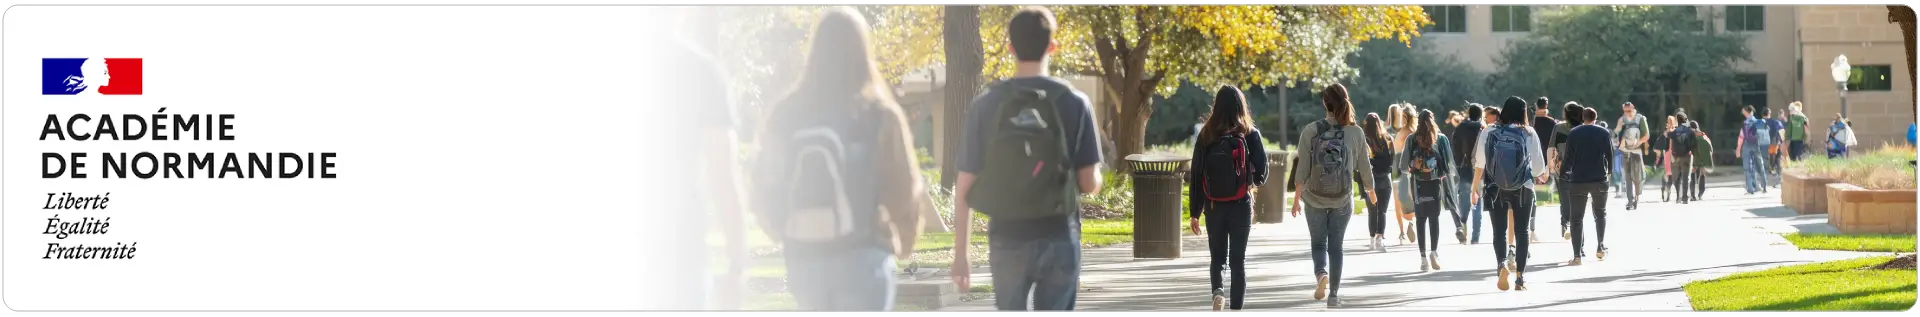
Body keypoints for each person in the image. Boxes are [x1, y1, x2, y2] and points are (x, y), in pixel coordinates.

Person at [749, 8, 932, 311]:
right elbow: (904, 187)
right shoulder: (877, 113)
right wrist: (904, 240)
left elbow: (762, 181)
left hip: (804, 258)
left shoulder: (786, 113)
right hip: (864, 255)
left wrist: (779, 229)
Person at [953, 7, 1105, 311]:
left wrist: (961, 254)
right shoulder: (1075, 102)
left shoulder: (987, 104)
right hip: (1059, 233)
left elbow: (964, 187)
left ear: (1010, 48)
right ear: (1052, 46)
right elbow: (1088, 183)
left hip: (1007, 238)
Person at [1290, 83, 1376, 308]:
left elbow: (1303, 169)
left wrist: (1297, 198)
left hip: (1314, 197)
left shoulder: (1311, 130)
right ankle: (1334, 295)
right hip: (1342, 198)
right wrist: (1370, 190)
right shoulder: (1356, 132)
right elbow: (1364, 166)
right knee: (1336, 247)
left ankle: (1321, 275)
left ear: (1324, 103)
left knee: (1318, 243)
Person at [1187, 86, 1270, 312]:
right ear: (1241, 105)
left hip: (1213, 206)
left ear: (1216, 106)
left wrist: (1194, 211)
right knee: (1238, 262)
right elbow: (1262, 173)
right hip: (1241, 204)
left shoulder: (1206, 134)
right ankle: (1236, 309)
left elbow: (1196, 174)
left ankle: (1218, 292)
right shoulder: (1250, 133)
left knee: (1217, 258)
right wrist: (1250, 179)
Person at [1471, 96, 1550, 292]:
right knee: (1522, 232)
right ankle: (1520, 278)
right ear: (1524, 113)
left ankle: (1501, 265)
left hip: (1495, 187)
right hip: (1523, 188)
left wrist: (1475, 186)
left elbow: (1480, 162)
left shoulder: (1489, 131)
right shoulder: (1529, 132)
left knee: (1499, 231)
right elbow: (1539, 168)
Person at [1396, 109, 1458, 271]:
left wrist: (1414, 167)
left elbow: (1403, 166)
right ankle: (1434, 252)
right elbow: (1449, 166)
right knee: (1434, 219)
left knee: (1421, 219)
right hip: (1435, 184)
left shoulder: (1411, 139)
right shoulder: (1441, 139)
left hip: (1418, 185)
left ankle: (1423, 258)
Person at [1561, 106, 1613, 265]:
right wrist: (1609, 171)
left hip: (1578, 180)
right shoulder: (1603, 133)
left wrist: (1564, 173)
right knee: (1600, 213)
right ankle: (1600, 247)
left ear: (1583, 117)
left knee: (1576, 218)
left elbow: (1569, 157)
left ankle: (1577, 256)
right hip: (1598, 178)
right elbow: (1609, 154)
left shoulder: (1574, 133)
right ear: (1595, 118)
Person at [1453, 103, 1487, 245]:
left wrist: (1459, 164)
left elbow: (1455, 148)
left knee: (1464, 201)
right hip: (1480, 171)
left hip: (1464, 169)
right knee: (1477, 203)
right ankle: (1475, 237)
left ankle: (1463, 228)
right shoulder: (1483, 129)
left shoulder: (1460, 127)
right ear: (1481, 115)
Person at [1361, 113, 1396, 252]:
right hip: (1385, 178)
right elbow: (1392, 161)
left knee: (1372, 211)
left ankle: (1371, 239)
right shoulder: (1387, 139)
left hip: (1370, 180)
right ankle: (1379, 239)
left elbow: (1362, 162)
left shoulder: (1364, 140)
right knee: (1382, 211)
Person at [1548, 102, 1579, 240]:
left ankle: (1565, 223)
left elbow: (1551, 147)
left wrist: (1550, 165)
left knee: (1564, 198)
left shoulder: (1559, 127)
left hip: (1562, 167)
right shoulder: (1582, 128)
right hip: (1580, 168)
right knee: (1577, 199)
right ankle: (1573, 226)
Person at [1527, 97, 1556, 242]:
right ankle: (1532, 230)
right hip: (1544, 160)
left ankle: (1530, 229)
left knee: (1529, 196)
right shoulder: (1552, 123)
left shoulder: (1530, 122)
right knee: (1533, 197)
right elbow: (1553, 145)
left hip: (1528, 160)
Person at [1390, 104, 1419, 245]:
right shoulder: (1415, 132)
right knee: (1412, 196)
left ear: (1405, 117)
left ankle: (1402, 230)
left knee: (1398, 199)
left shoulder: (1403, 132)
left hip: (1398, 165)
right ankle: (1411, 222)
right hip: (1411, 165)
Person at [1614, 102, 1650, 210]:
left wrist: (1637, 143)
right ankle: (1630, 200)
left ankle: (1636, 197)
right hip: (1625, 150)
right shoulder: (1622, 119)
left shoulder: (1640, 118)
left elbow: (1646, 135)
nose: (1627, 113)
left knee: (1637, 176)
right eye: (1625, 111)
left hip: (1637, 150)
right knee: (1628, 176)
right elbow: (1616, 132)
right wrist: (1616, 134)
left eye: (1629, 111)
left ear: (1633, 109)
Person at [1736, 105, 1771, 195]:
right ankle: (1764, 186)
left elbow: (1741, 136)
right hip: (1757, 145)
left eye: (1744, 111)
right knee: (1760, 165)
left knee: (1748, 167)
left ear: (1747, 112)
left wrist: (1738, 148)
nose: (1743, 113)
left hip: (1747, 145)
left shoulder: (1745, 123)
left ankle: (1751, 188)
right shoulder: (1759, 122)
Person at [1666, 113, 1698, 204]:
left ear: (1677, 121)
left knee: (1676, 178)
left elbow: (1668, 137)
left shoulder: (1673, 132)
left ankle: (1679, 196)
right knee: (1686, 177)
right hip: (1687, 156)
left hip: (1676, 157)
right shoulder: (1690, 131)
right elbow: (1694, 145)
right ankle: (1684, 197)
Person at [1690, 120, 1714, 200]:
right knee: (1702, 173)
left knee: (1693, 172)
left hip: (1696, 158)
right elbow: (1710, 149)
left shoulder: (1692, 136)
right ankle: (1700, 193)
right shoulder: (1704, 135)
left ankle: (1693, 194)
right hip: (1703, 158)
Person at [1765, 109, 1786, 187]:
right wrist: (1783, 142)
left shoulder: (1759, 123)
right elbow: (1782, 131)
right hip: (1774, 144)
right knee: (1777, 160)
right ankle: (1777, 179)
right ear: (1770, 113)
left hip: (1763, 146)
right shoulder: (1776, 122)